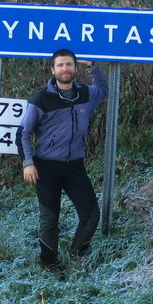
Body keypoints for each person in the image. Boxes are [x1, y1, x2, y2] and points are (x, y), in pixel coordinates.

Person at [17, 49, 108, 275]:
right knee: (49, 219)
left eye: (69, 64)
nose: (65, 69)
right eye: (60, 65)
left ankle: (76, 255)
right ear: (53, 70)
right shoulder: (42, 98)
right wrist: (27, 162)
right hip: (46, 166)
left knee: (91, 214)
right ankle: (50, 263)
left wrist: (92, 65)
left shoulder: (86, 94)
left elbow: (104, 90)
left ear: (75, 68)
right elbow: (23, 132)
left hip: (75, 165)